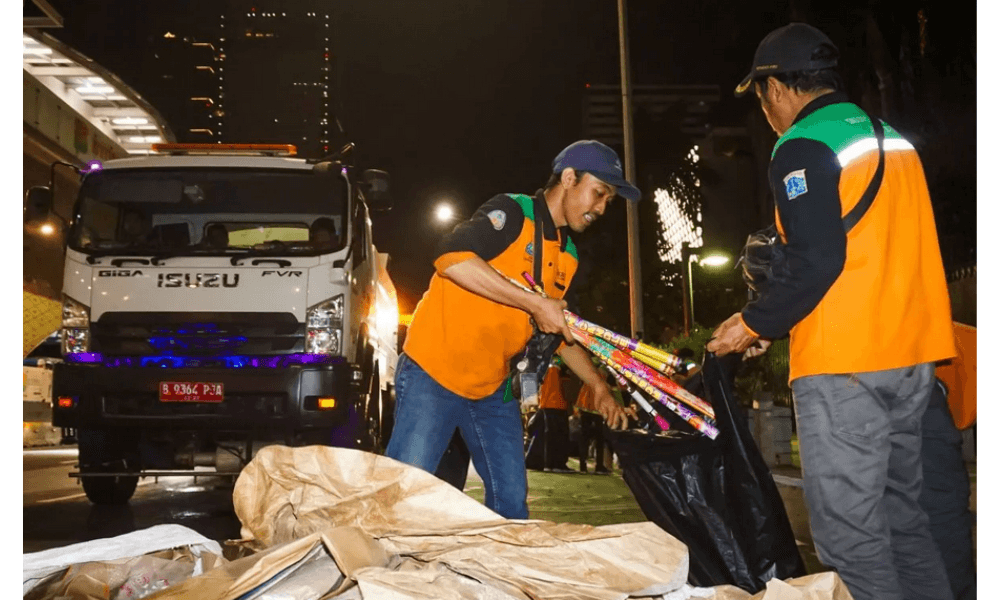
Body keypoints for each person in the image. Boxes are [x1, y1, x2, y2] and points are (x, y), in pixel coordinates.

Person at [707, 23, 956, 600]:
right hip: (912, 361)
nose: (765, 110)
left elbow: (818, 259)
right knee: (905, 524)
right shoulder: (891, 137)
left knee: (852, 541)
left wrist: (751, 324)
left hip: (848, 365)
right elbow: (867, 249)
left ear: (776, 88)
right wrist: (776, 316)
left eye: (762, 96)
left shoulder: (802, 144)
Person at [385, 140, 638, 519]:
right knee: (403, 495)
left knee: (512, 501)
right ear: (569, 178)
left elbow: (557, 332)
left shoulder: (567, 256)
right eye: (599, 193)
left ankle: (501, 576)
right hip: (434, 371)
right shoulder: (514, 212)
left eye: (609, 201)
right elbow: (450, 258)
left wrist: (598, 385)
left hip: (491, 388)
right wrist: (535, 302)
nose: (602, 208)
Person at [524, 360, 574, 473]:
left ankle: (542, 463)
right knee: (556, 436)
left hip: (546, 403)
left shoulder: (540, 362)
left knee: (545, 435)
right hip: (556, 404)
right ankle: (554, 464)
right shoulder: (557, 364)